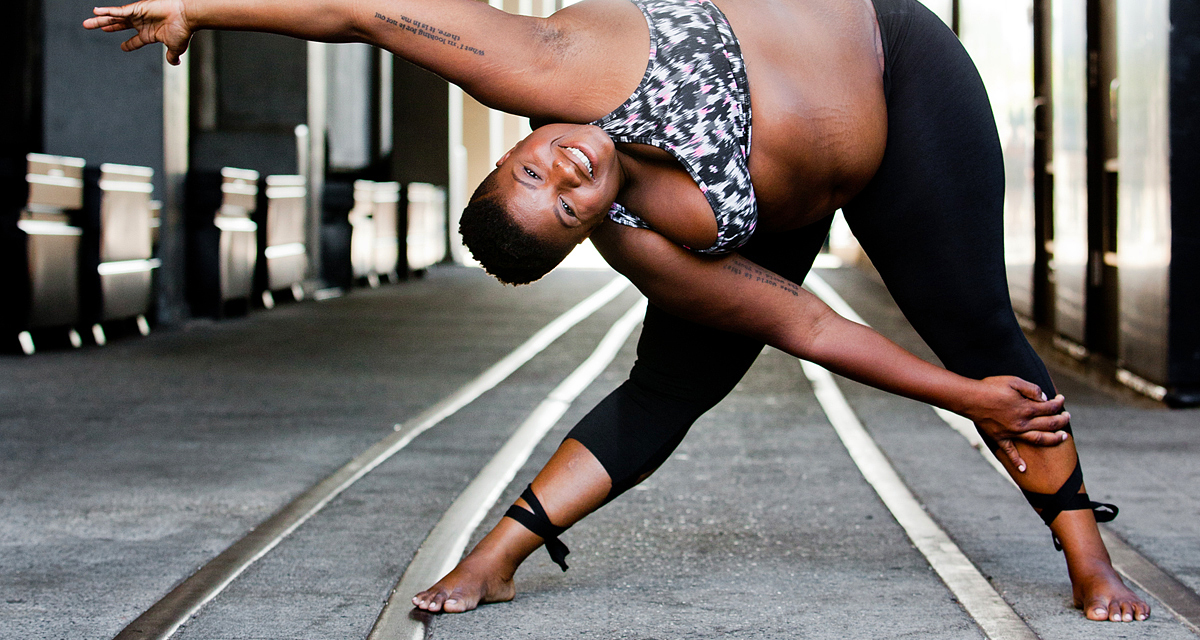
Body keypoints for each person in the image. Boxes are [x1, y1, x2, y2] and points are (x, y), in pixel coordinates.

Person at [87, 0, 1149, 623]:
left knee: (983, 332)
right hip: (760, 212)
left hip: (898, 77)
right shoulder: (651, 237)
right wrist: (961, 400)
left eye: (537, 167)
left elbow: (365, 12)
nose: (568, 171)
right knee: (671, 386)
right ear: (589, 235)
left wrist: (202, 6)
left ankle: (1081, 550)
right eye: (568, 206)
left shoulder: (541, 62)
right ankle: (498, 550)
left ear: (515, 138)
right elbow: (807, 326)